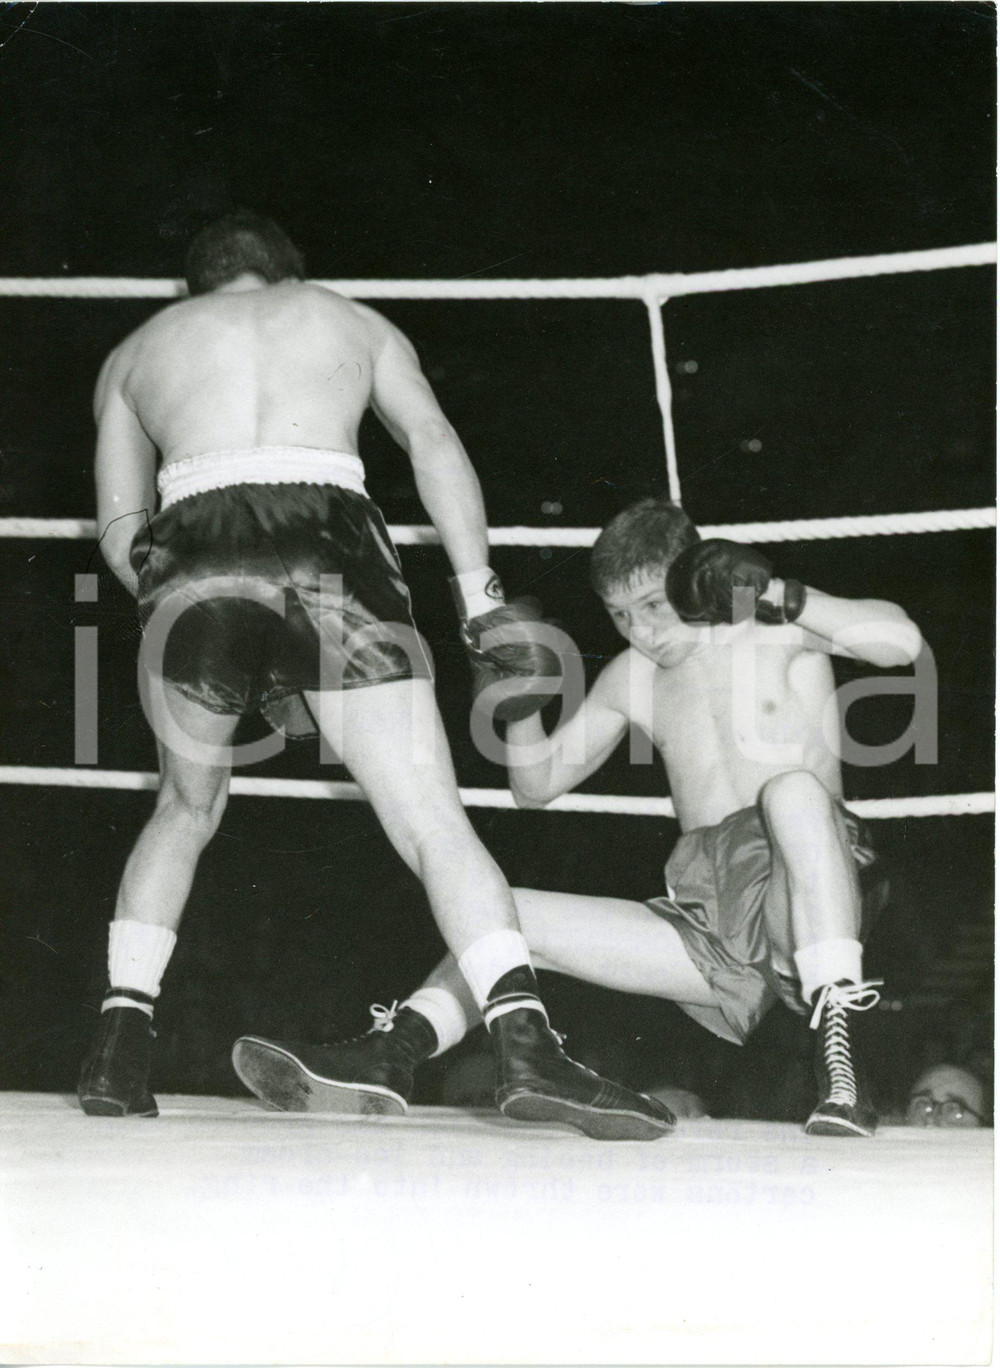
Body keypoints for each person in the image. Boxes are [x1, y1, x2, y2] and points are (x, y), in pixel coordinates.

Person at [77, 211, 674, 1142]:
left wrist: (182, 599)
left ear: (194, 289)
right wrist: (479, 598)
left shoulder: (135, 354)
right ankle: (522, 1037)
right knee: (430, 815)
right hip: (328, 541)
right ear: (286, 274)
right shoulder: (346, 319)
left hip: (189, 553)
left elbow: (121, 532)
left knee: (184, 809)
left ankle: (119, 1041)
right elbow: (432, 444)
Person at [248, 498, 923, 1138]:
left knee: (793, 791)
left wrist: (781, 593)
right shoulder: (632, 676)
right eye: (621, 615)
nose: (642, 631)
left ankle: (841, 1058)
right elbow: (537, 785)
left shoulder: (772, 629)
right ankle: (394, 1053)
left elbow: (899, 641)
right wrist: (517, 699)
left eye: (654, 605)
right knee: (498, 911)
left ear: (695, 576)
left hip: (805, 892)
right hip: (706, 916)